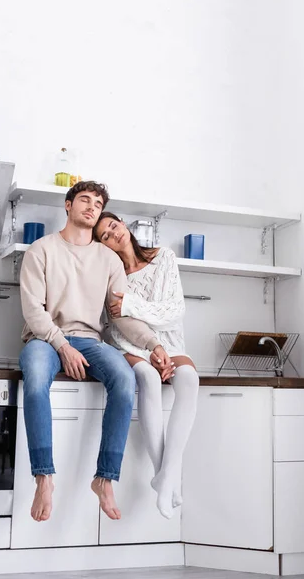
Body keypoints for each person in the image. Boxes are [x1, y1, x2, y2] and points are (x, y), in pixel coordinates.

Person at [19, 181, 172, 523]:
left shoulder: (108, 260)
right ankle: (44, 477)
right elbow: (33, 311)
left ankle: (104, 478)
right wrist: (61, 345)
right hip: (43, 340)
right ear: (68, 205)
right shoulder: (40, 250)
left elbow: (121, 317)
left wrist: (154, 344)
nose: (91, 207)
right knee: (36, 377)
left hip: (89, 341)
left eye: (98, 203)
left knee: (123, 375)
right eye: (84, 200)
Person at [94, 212, 199, 519]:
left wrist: (129, 304)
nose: (114, 234)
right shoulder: (112, 275)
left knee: (190, 380)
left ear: (123, 224)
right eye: (105, 235)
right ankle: (164, 477)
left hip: (171, 340)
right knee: (149, 379)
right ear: (103, 245)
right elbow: (121, 322)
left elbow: (174, 310)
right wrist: (150, 344)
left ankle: (166, 475)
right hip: (129, 343)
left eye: (114, 226)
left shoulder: (164, 257)